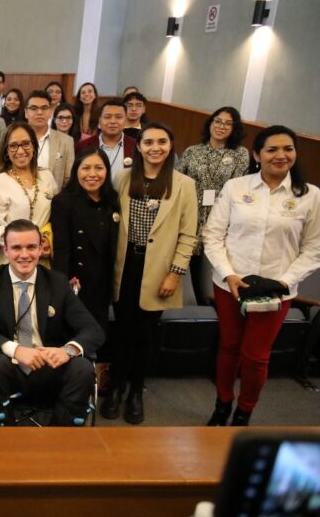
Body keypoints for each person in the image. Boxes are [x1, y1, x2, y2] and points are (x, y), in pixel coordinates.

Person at [203, 125, 320, 427]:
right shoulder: (236, 188)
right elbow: (213, 235)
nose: (280, 155)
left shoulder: (310, 196)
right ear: (257, 155)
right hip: (231, 286)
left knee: (255, 356)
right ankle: (222, 403)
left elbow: (314, 248)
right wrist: (228, 274)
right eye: (272, 149)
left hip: (276, 290)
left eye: (288, 149)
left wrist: (283, 281)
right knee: (229, 347)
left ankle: (244, 411)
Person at [0, 219, 104, 426]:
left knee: (82, 368)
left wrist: (68, 350)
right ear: (6, 250)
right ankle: (2, 439)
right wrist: (15, 349)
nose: (25, 255)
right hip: (10, 367)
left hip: (51, 366)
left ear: (40, 248)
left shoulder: (57, 282)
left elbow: (93, 330)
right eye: (17, 247)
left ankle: (62, 439)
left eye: (31, 247)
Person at [102, 122, 197, 425]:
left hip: (158, 270)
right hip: (125, 265)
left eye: (162, 142)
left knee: (145, 335)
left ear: (171, 146)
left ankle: (135, 393)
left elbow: (188, 234)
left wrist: (175, 274)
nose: (155, 148)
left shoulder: (183, 184)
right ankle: (115, 386)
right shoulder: (123, 178)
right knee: (122, 332)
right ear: (138, 147)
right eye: (148, 142)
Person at [176, 107, 249, 306]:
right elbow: (177, 179)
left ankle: (211, 305)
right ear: (210, 123)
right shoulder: (193, 151)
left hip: (221, 218)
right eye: (217, 121)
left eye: (227, 123)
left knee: (212, 267)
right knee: (188, 263)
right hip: (191, 214)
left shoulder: (240, 154)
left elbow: (238, 188)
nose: (221, 126)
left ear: (234, 129)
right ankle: (190, 306)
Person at [50, 148, 119, 339]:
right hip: (77, 281)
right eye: (86, 168)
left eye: (99, 168)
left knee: (100, 331)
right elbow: (61, 248)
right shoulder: (63, 202)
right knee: (76, 333)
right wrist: (65, 281)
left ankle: (98, 368)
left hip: (104, 280)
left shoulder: (112, 200)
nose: (92, 174)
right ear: (76, 171)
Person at [0, 121, 58, 262]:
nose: (20, 151)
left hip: (43, 258)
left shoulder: (47, 176)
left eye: (25, 144)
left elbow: (56, 216)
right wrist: (26, 246)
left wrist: (47, 240)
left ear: (34, 147)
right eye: (13, 146)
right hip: (12, 259)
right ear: (6, 151)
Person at [77, 100, 137, 187]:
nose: (113, 121)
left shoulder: (136, 146)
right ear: (99, 121)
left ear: (126, 121)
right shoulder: (83, 146)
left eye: (119, 117)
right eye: (107, 117)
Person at [25, 90, 74, 189]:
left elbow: (69, 178)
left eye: (44, 108)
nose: (39, 112)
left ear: (50, 112)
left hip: (52, 199)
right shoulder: (13, 137)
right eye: (34, 108)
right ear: (26, 112)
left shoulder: (66, 141)